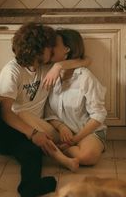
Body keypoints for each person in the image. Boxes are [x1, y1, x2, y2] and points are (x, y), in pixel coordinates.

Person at [0, 23, 89, 197]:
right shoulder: (12, 71)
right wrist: (33, 133)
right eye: (50, 46)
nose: (53, 49)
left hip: (25, 135)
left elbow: (86, 60)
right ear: (39, 49)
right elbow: (5, 112)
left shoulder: (48, 66)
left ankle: (29, 186)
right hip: (4, 130)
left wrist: (58, 67)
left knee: (32, 153)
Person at [45, 28, 107, 167]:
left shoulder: (84, 77)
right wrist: (61, 127)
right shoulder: (49, 74)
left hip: (87, 131)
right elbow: (48, 111)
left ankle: (60, 151)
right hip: (61, 131)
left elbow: (98, 115)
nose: (50, 48)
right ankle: (62, 151)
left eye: (54, 44)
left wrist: (74, 140)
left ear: (67, 49)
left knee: (87, 157)